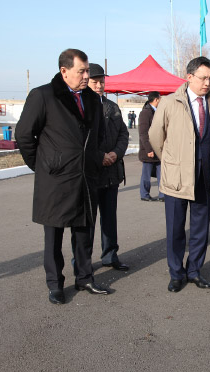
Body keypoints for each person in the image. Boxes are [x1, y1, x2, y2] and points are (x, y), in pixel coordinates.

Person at [15, 49, 110, 304]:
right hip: (55, 180)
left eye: (87, 70)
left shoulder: (91, 99)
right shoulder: (43, 96)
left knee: (83, 234)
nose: (86, 76)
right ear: (64, 71)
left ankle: (85, 277)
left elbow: (99, 134)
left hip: (85, 178)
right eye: (82, 71)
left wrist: (94, 158)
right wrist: (43, 166)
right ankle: (55, 284)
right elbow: (24, 136)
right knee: (53, 238)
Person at [149, 56, 210, 293]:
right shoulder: (170, 103)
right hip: (176, 177)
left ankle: (194, 271)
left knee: (201, 228)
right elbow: (155, 136)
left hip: (205, 175)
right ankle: (176, 273)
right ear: (189, 77)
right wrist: (171, 162)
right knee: (175, 228)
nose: (208, 82)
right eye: (203, 77)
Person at [86, 63, 130, 271]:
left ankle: (110, 255)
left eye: (102, 81)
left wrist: (116, 153)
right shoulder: (81, 106)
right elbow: (79, 140)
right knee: (87, 222)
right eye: (95, 81)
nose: (99, 85)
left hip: (111, 172)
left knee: (109, 218)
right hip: (90, 173)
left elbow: (123, 134)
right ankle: (83, 262)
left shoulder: (112, 107)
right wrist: (99, 156)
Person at [138, 91, 163, 202]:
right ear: (156, 99)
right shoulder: (146, 112)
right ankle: (144, 194)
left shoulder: (157, 112)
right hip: (148, 150)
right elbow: (143, 133)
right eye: (160, 99)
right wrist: (148, 149)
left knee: (161, 173)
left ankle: (163, 194)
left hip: (158, 149)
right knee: (146, 174)